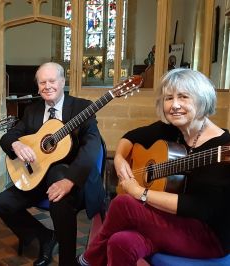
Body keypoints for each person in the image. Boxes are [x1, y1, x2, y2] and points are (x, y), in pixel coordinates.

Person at [77, 68, 230, 265]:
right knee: (120, 242)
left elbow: (201, 207)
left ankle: (89, 259)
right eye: (168, 98)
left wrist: (141, 193)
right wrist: (120, 159)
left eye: (183, 97)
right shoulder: (171, 130)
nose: (174, 105)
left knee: (124, 203)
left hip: (209, 236)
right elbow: (131, 137)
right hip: (171, 220)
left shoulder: (223, 147)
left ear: (202, 99)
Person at [0, 62, 104, 266]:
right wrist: (16, 145)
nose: (47, 86)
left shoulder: (82, 107)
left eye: (52, 81)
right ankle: (44, 236)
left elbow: (92, 148)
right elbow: (7, 138)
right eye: (42, 82)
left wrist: (70, 180)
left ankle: (67, 261)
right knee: (1, 203)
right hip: (38, 178)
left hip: (72, 182)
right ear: (37, 87)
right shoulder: (32, 111)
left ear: (63, 82)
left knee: (59, 183)